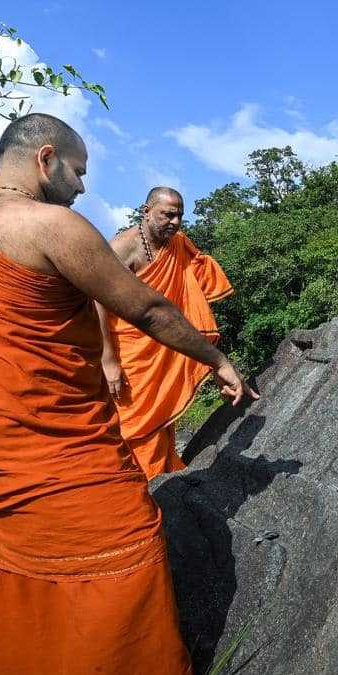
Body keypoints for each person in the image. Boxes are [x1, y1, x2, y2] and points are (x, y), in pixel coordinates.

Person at [0, 113, 257, 675]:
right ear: (45, 158)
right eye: (78, 172)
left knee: (8, 582)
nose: (82, 186)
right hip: (59, 455)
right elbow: (146, 308)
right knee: (125, 554)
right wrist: (217, 358)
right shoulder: (52, 227)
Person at [97, 187, 233, 477]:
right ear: (146, 211)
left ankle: (164, 474)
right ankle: (135, 482)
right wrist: (107, 358)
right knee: (134, 421)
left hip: (164, 345)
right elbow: (95, 299)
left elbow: (195, 273)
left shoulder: (178, 243)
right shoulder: (123, 247)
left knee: (162, 415)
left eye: (179, 216)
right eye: (168, 214)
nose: (175, 222)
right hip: (131, 351)